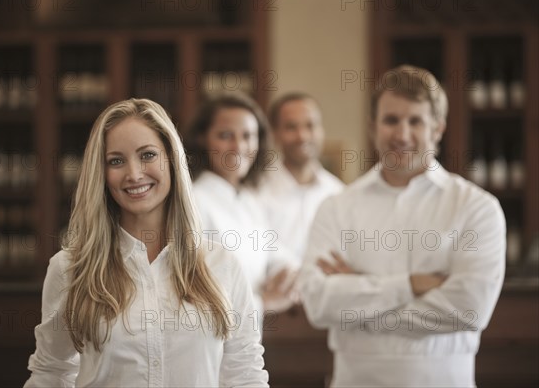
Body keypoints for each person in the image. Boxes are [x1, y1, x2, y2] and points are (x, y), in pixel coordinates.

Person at [24, 98, 269, 387]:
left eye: (148, 155)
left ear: (172, 160)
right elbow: (51, 372)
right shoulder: (70, 268)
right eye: (116, 161)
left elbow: (245, 374)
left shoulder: (221, 264)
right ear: (101, 174)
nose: (134, 174)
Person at [297, 65, 505, 387]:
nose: (402, 134)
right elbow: (317, 304)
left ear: (437, 129)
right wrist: (411, 285)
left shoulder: (477, 208)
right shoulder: (336, 207)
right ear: (372, 127)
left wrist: (359, 290)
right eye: (391, 120)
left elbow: (469, 310)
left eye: (415, 121)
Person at [187, 92, 297, 320]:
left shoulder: (249, 200)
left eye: (248, 135)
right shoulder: (193, 202)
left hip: (250, 345)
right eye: (226, 135)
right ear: (202, 138)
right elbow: (194, 297)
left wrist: (288, 273)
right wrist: (264, 303)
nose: (238, 146)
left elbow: (277, 255)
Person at [258, 92, 345, 264]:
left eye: (310, 126)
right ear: (275, 134)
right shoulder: (255, 190)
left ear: (321, 130)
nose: (302, 136)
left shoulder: (339, 193)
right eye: (291, 127)